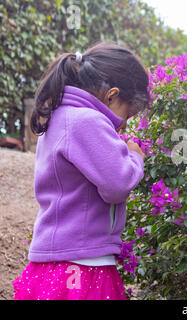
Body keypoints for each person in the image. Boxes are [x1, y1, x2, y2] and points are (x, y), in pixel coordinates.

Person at [12, 42, 149, 300]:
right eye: (127, 115)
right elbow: (117, 184)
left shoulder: (60, 118)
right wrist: (134, 156)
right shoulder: (87, 121)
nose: (122, 125)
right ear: (112, 96)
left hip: (55, 263)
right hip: (83, 265)